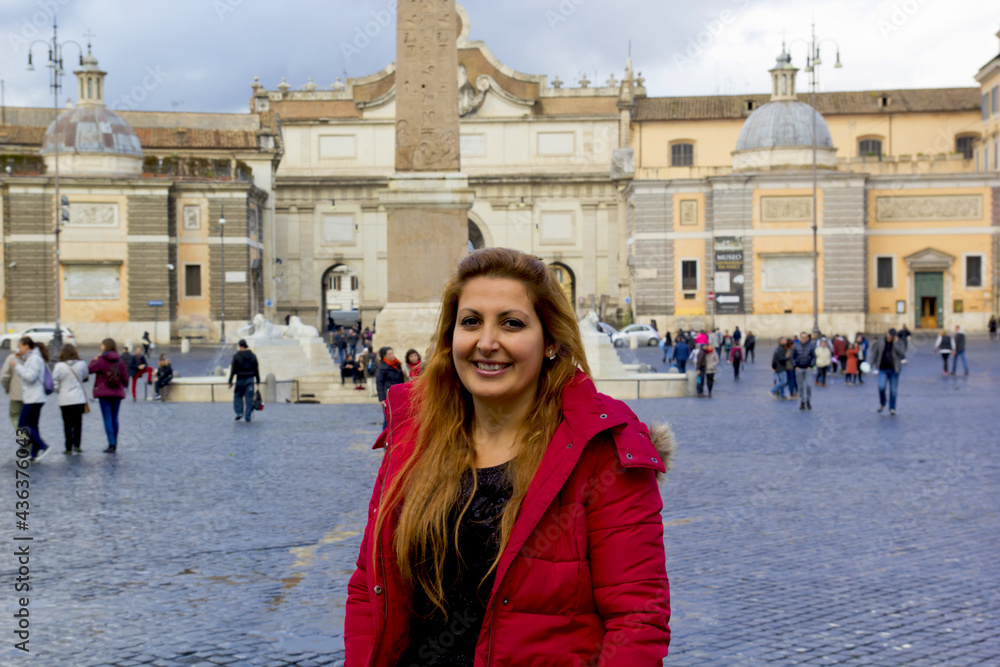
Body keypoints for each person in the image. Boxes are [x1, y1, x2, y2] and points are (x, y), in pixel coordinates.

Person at [345, 248, 672, 666]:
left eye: (511, 323)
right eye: (471, 322)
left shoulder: (604, 451)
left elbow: (637, 619)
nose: (486, 343)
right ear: (451, 337)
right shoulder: (412, 439)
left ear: (551, 340)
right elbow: (368, 584)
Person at [11, 337, 52, 461]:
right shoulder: (32, 357)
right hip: (34, 396)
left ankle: (42, 445)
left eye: (20, 346)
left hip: (34, 397)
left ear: (26, 346)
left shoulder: (34, 358)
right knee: (33, 425)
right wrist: (20, 359)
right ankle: (34, 453)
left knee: (23, 424)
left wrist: (17, 366)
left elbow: (30, 377)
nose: (19, 349)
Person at [88, 338, 128, 453]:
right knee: (115, 418)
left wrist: (94, 360)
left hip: (104, 393)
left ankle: (111, 443)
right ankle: (115, 442)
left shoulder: (101, 360)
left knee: (107, 418)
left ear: (105, 346)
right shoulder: (119, 361)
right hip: (117, 392)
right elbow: (125, 378)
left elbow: (89, 370)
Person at [52, 344, 89, 455]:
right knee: (78, 423)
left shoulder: (59, 366)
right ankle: (77, 445)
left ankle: (68, 447)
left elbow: (55, 382)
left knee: (67, 423)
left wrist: (60, 390)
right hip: (78, 398)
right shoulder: (81, 364)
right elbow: (85, 376)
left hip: (65, 399)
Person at [871, 328, 906, 415]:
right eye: (890, 335)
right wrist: (871, 364)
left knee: (893, 390)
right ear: (887, 333)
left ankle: (892, 408)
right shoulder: (881, 341)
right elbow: (875, 353)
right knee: (881, 387)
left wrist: (895, 344)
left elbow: (902, 354)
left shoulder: (899, 343)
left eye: (893, 336)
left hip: (894, 370)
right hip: (883, 369)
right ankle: (883, 402)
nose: (891, 337)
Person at [228, 339, 260, 422]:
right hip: (250, 379)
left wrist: (230, 382)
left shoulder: (236, 356)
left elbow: (233, 370)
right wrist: (258, 380)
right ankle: (248, 416)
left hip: (240, 379)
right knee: (249, 398)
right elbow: (256, 369)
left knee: (238, 396)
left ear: (240, 346)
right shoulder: (253, 356)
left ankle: (239, 412)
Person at [374, 346, 406, 430]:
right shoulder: (381, 368)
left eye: (392, 353)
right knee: (387, 418)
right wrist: (381, 399)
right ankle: (385, 438)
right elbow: (379, 383)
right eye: (390, 354)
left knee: (398, 417)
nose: (392, 355)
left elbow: (401, 379)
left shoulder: (397, 365)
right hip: (388, 395)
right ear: (384, 356)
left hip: (398, 394)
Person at [791, 332, 816, 410]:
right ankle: (802, 401)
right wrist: (795, 366)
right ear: (800, 338)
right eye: (802, 337)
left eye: (805, 337)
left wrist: (811, 366)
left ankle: (808, 401)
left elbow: (814, 357)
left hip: (808, 368)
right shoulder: (796, 346)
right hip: (799, 368)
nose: (804, 339)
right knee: (801, 387)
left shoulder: (811, 346)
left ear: (807, 338)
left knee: (808, 385)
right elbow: (792, 357)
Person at [1, 348, 24, 430]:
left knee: (15, 416)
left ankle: (24, 438)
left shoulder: (12, 358)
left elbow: (4, 376)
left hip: (16, 394)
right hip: (33, 396)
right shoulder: (35, 358)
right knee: (29, 419)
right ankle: (31, 439)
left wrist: (7, 389)